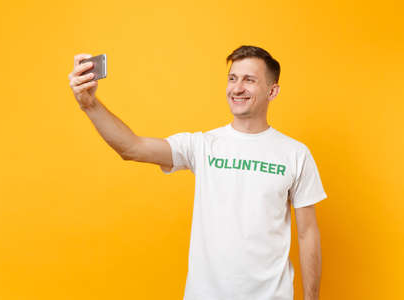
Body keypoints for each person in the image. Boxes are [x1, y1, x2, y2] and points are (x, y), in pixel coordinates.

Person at [68, 45, 327, 300]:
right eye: (232, 79)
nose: (237, 88)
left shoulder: (295, 154)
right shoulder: (201, 145)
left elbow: (307, 234)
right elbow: (132, 148)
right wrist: (90, 105)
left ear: (273, 91)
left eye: (249, 80)